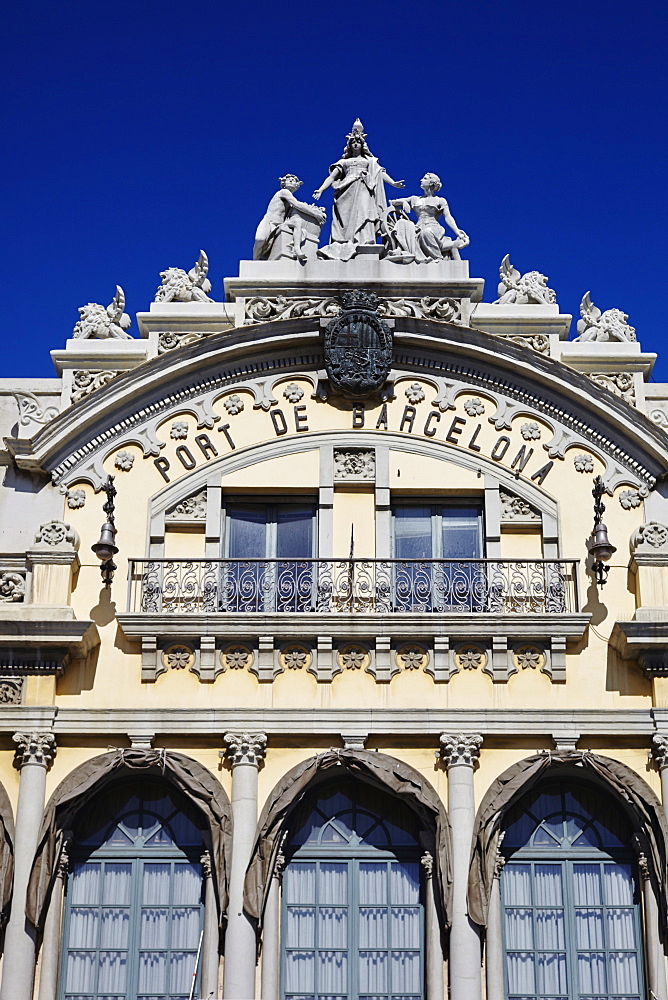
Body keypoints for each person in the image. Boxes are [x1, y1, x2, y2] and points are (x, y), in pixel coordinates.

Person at [313, 119, 404, 260]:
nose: (356, 144)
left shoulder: (369, 161)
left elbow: (379, 173)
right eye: (353, 142)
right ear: (349, 145)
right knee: (346, 218)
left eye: (358, 142)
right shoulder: (344, 162)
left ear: (362, 144)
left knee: (364, 212)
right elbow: (331, 178)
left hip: (364, 187)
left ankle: (364, 240)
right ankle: (344, 242)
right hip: (346, 191)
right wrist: (320, 189)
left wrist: (393, 183)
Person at [389, 173, 469, 262]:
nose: (421, 180)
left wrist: (457, 232)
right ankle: (400, 249)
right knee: (402, 223)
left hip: (433, 227)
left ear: (431, 183)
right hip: (418, 227)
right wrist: (403, 202)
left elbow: (448, 217)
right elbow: (393, 202)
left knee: (426, 233)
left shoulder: (440, 200)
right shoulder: (415, 199)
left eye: (425, 178)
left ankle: (437, 258)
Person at [253, 175, 326, 262]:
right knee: (260, 240)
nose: (291, 181)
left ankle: (297, 249)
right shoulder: (284, 192)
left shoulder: (290, 201)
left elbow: (298, 208)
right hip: (270, 221)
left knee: (297, 222)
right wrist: (315, 214)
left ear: (298, 185)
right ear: (283, 183)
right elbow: (298, 205)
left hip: (281, 223)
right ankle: (255, 260)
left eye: (294, 181)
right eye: (289, 180)